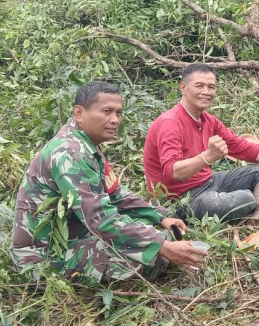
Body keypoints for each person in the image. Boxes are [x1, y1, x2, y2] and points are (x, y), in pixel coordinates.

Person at [11, 81, 206, 283]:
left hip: (74, 232)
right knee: (150, 259)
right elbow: (100, 218)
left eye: (118, 113)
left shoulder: (87, 144)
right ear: (79, 113)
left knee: (151, 233)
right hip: (42, 257)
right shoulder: (70, 153)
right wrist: (161, 246)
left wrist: (159, 216)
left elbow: (117, 195)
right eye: (106, 112)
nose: (114, 120)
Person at [143, 64, 259, 223]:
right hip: (179, 199)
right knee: (246, 199)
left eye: (211, 87)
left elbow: (240, 147)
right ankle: (253, 204)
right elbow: (173, 173)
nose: (206, 92)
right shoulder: (170, 123)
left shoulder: (208, 120)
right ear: (183, 88)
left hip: (207, 182)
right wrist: (207, 157)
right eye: (199, 86)